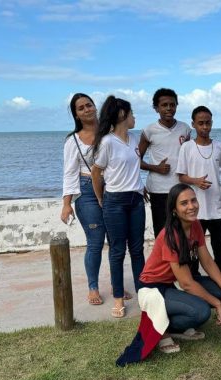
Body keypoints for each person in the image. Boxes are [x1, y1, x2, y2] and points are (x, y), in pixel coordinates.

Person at [136, 183, 221, 356]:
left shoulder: (195, 225)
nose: (191, 206)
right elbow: (187, 283)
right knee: (201, 311)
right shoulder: (170, 235)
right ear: (174, 209)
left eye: (193, 200)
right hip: (155, 288)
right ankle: (163, 328)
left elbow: (208, 262)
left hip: (175, 282)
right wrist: (217, 303)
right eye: (184, 203)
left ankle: (177, 322)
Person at [91, 96, 146, 319]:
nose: (134, 117)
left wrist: (141, 189)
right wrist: (101, 199)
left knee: (138, 250)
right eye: (131, 113)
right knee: (117, 252)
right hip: (115, 201)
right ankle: (118, 298)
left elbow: (134, 168)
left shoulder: (133, 139)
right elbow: (96, 173)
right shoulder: (107, 142)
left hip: (136, 200)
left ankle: (143, 294)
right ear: (122, 115)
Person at [61, 93, 107, 306]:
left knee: (116, 241)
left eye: (89, 105)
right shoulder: (73, 141)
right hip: (87, 191)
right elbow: (70, 173)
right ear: (76, 115)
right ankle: (93, 287)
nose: (87, 109)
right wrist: (66, 204)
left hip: (113, 188)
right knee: (95, 242)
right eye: (81, 108)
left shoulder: (110, 131)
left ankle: (117, 284)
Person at [176, 106, 221, 278]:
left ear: (212, 123)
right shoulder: (187, 147)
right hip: (194, 208)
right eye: (201, 123)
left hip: (217, 207)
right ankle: (194, 282)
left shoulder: (219, 146)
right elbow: (181, 176)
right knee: (192, 249)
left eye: (208, 123)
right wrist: (196, 181)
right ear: (193, 124)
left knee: (220, 249)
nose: (205, 127)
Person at [138, 88, 192, 237]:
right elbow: (135, 161)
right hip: (158, 190)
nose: (169, 108)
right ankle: (165, 261)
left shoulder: (185, 129)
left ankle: (183, 260)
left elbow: (190, 157)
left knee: (183, 231)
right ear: (156, 108)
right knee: (162, 232)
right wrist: (155, 168)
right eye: (164, 105)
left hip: (180, 188)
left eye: (172, 104)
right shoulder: (149, 130)